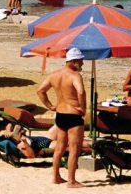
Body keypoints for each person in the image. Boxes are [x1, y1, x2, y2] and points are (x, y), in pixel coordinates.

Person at [36, 47, 85, 188]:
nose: (82, 63)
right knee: (74, 149)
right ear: (74, 61)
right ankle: (71, 181)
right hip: (73, 115)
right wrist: (82, 107)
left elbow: (40, 91)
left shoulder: (54, 75)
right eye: (80, 61)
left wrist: (50, 106)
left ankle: (56, 177)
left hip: (60, 114)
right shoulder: (75, 76)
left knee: (60, 148)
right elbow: (80, 91)